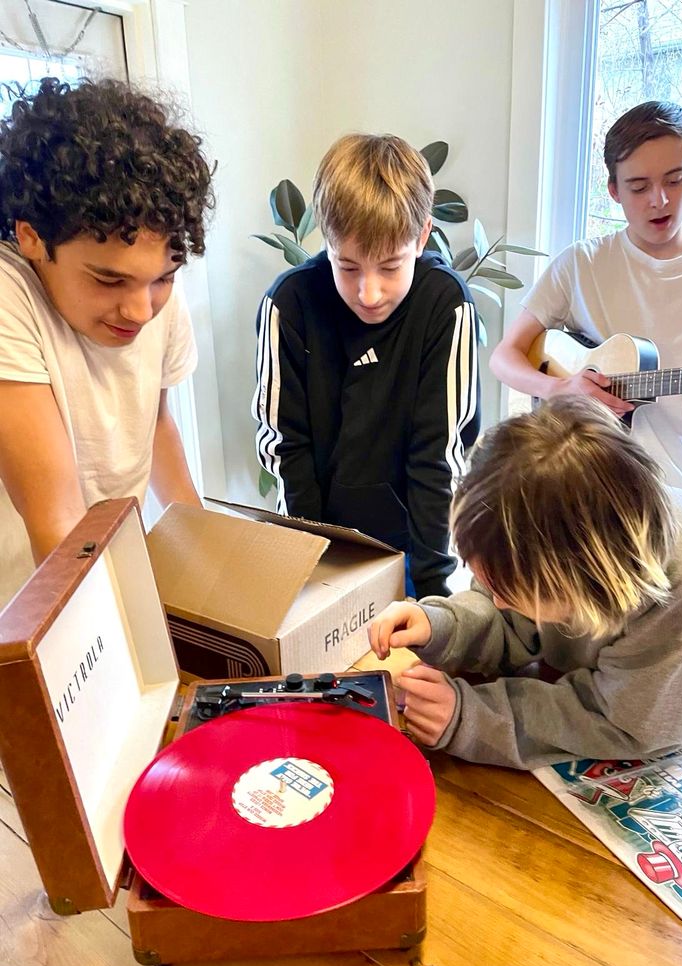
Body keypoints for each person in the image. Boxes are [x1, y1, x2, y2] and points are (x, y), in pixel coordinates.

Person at [368, 396, 682, 769]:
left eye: (507, 590)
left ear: (583, 578)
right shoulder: (547, 529)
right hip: (595, 680)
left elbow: (623, 723)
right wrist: (440, 624)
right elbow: (506, 620)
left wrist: (471, 717)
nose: (498, 601)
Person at [0, 77, 213, 609]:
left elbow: (154, 427)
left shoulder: (150, 292)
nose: (140, 311)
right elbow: (57, 520)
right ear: (31, 237)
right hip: (26, 606)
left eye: (163, 278)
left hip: (106, 578)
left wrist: (211, 564)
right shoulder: (8, 295)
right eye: (109, 280)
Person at [252, 133, 480, 599]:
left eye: (390, 267)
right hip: (316, 545)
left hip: (412, 546)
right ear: (327, 239)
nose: (369, 293)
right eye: (349, 267)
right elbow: (287, 450)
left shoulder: (445, 305)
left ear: (422, 236)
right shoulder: (289, 304)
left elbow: (437, 459)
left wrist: (435, 594)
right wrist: (311, 565)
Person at [490, 101, 682, 497]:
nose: (659, 200)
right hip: (578, 479)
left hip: (671, 485)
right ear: (613, 190)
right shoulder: (580, 262)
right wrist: (560, 389)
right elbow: (504, 357)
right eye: (639, 187)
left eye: (675, 180)